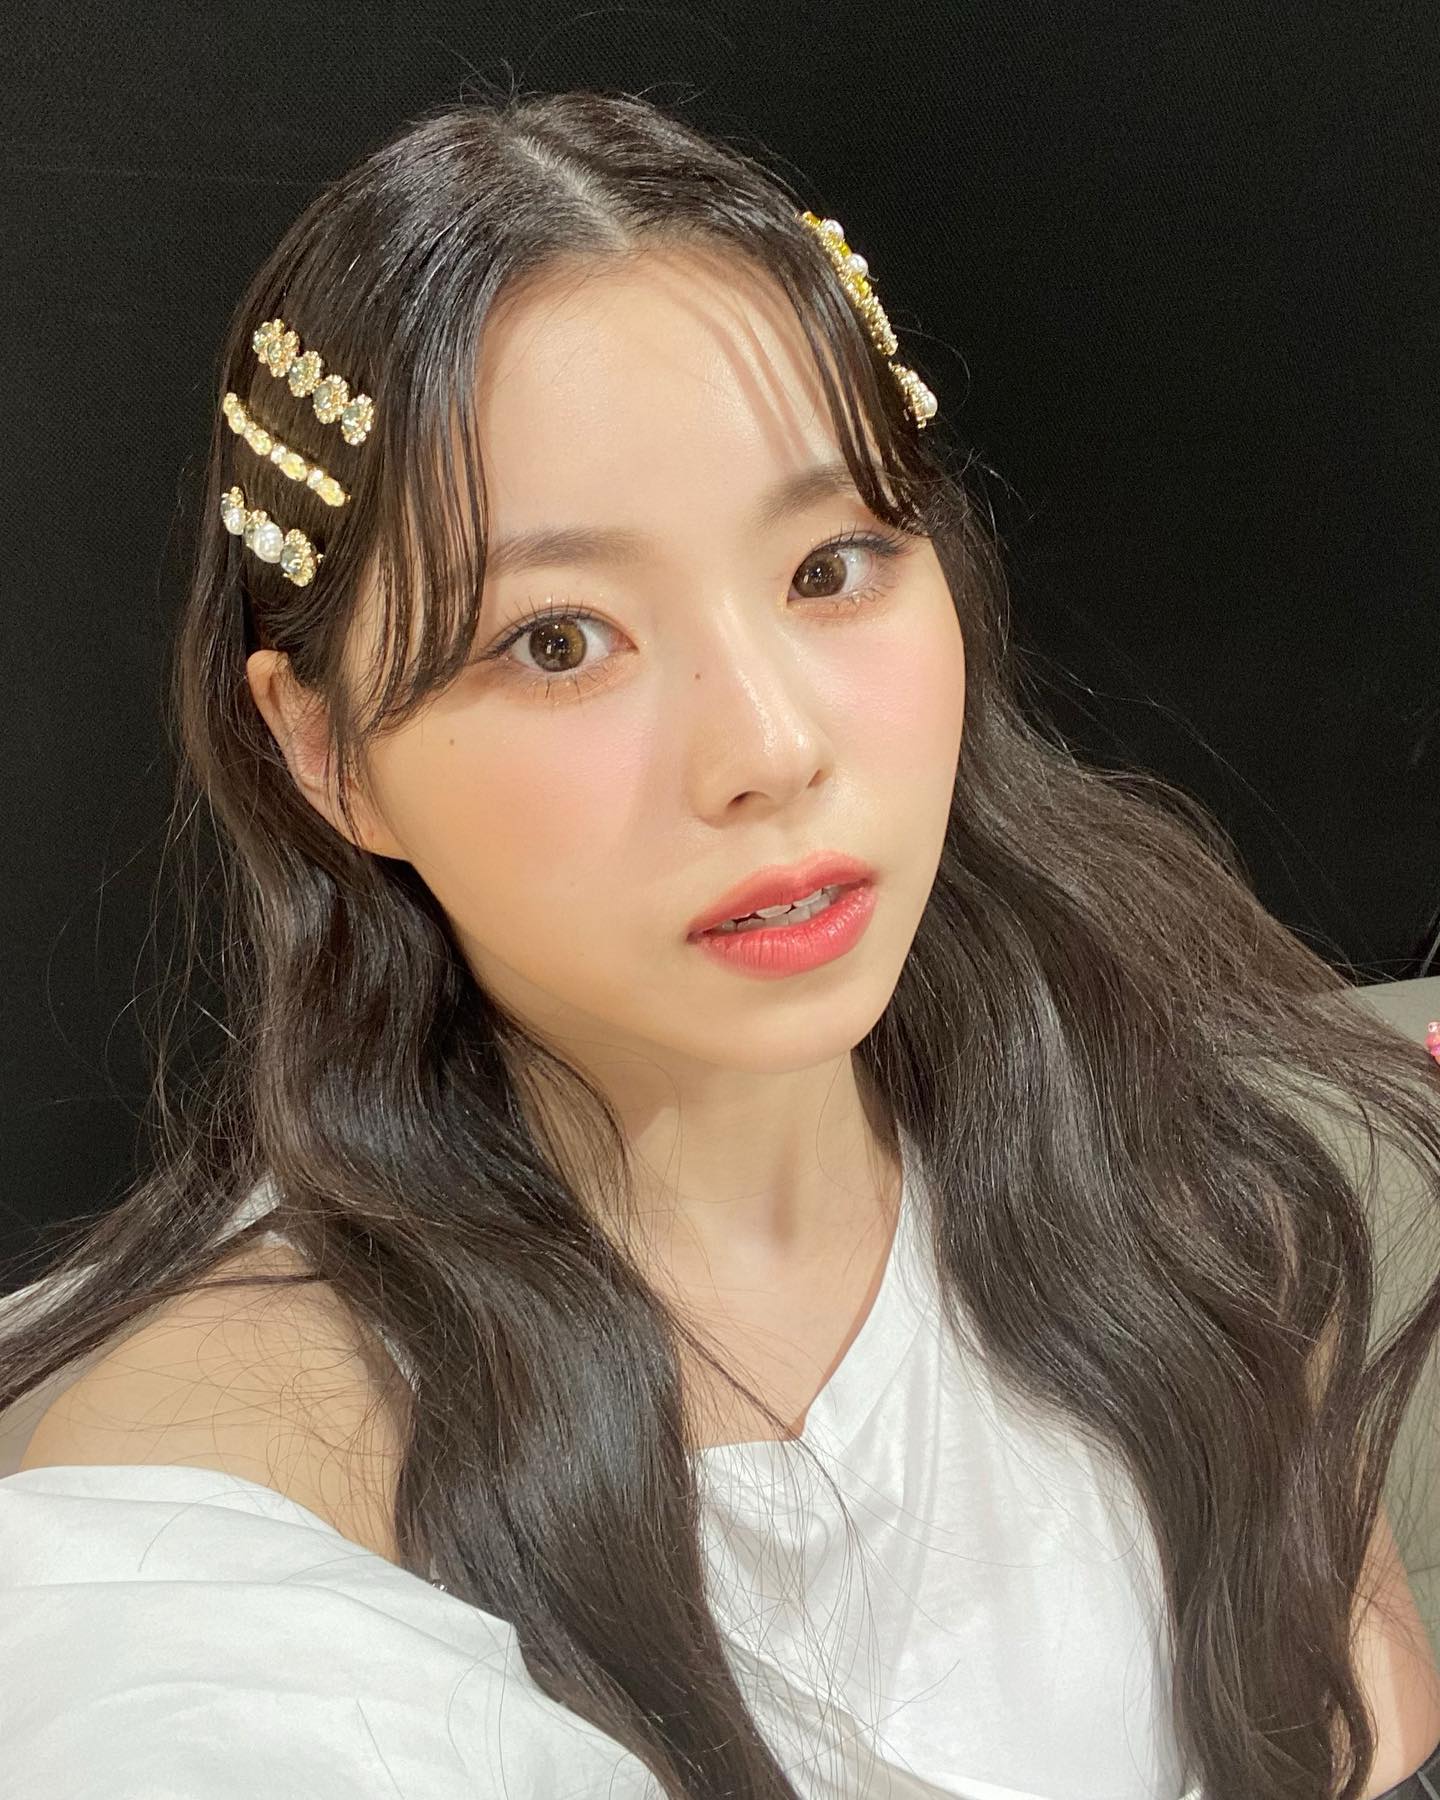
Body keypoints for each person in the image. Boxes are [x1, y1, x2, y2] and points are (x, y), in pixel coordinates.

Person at [1, 85, 1438, 1800]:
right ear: (326, 754)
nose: (769, 746)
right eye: (555, 641)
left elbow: (1363, 1730)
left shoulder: (1164, 1168)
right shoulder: (225, 1507)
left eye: (831, 566)